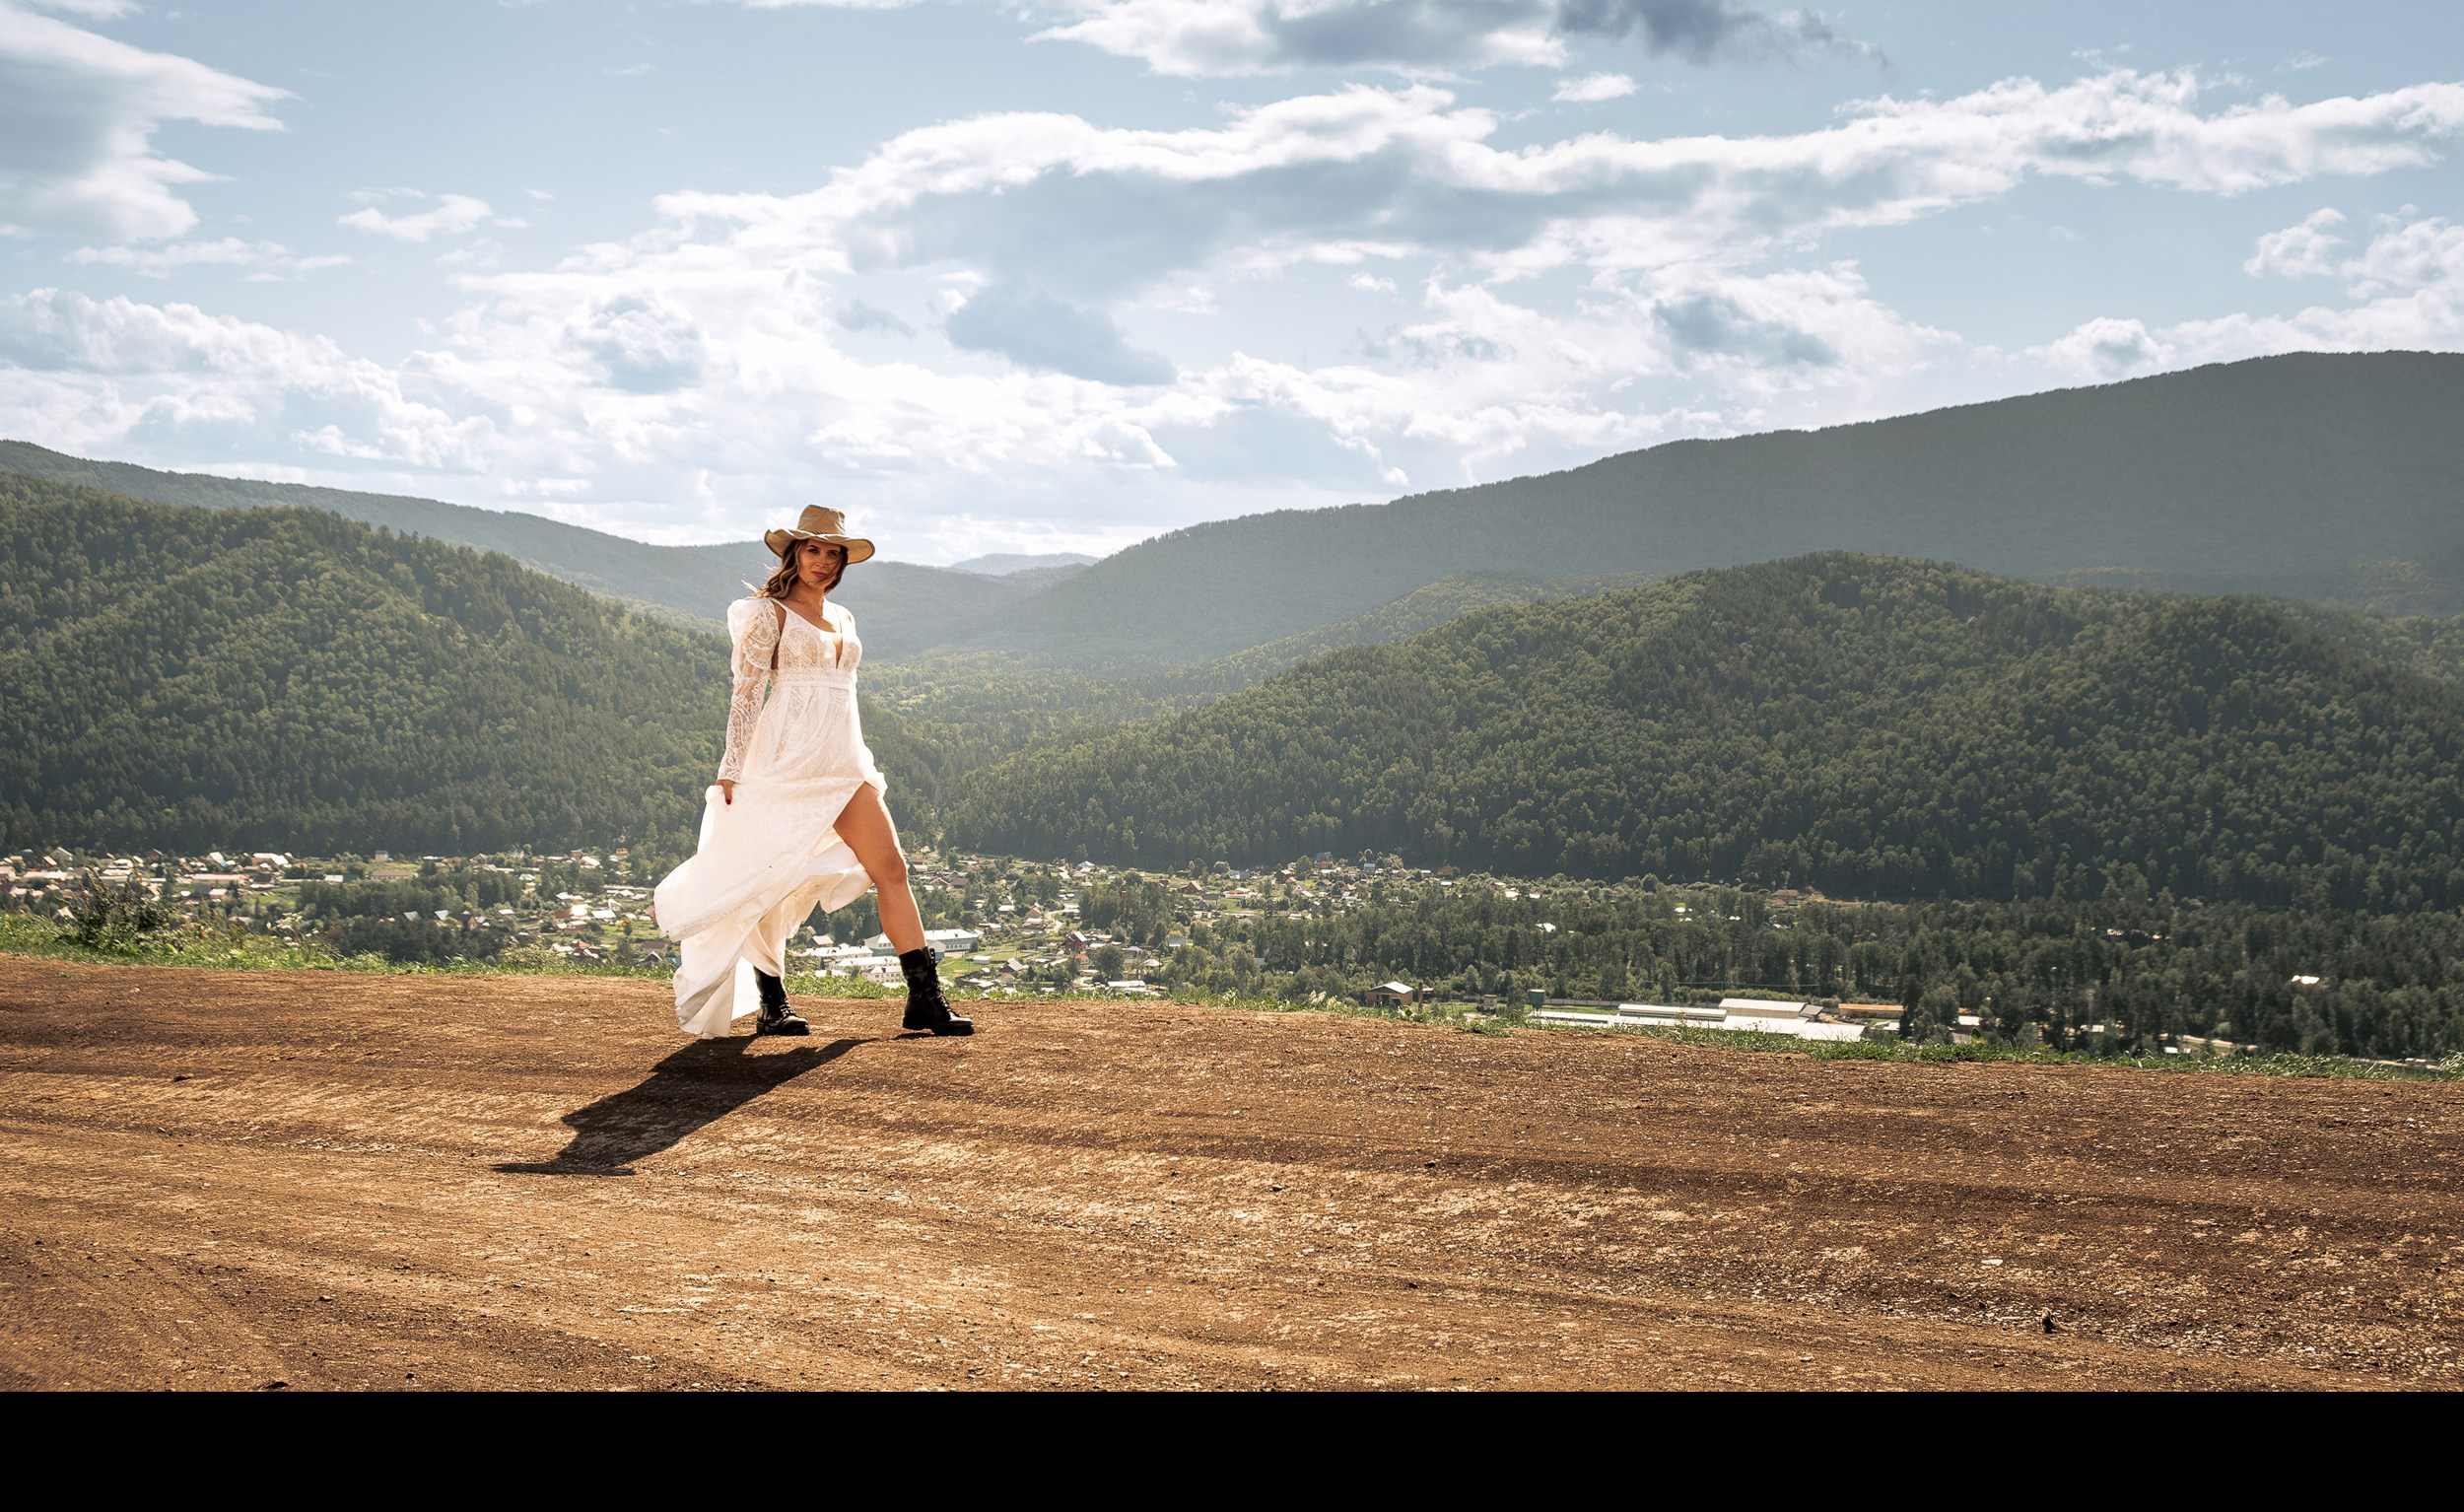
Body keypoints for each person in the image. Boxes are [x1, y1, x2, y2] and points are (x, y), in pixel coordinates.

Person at [651, 506, 971, 1039]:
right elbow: (747, 694)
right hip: (783, 763)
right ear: (793, 554)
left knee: (892, 869)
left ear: (844, 561)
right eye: (812, 550)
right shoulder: (767, 615)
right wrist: (731, 768)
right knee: (766, 880)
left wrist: (858, 756)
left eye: (833, 553)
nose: (823, 562)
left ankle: (924, 998)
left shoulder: (843, 617)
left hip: (844, 762)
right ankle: (772, 1002)